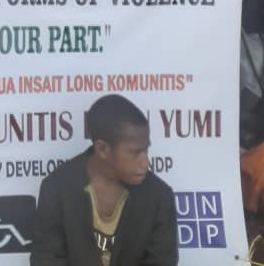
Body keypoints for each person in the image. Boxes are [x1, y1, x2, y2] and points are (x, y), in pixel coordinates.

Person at [31, 94, 178, 266]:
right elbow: (46, 259)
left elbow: (162, 261)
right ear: (102, 149)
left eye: (146, 150)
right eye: (136, 152)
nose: (145, 162)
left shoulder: (159, 196)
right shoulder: (56, 189)